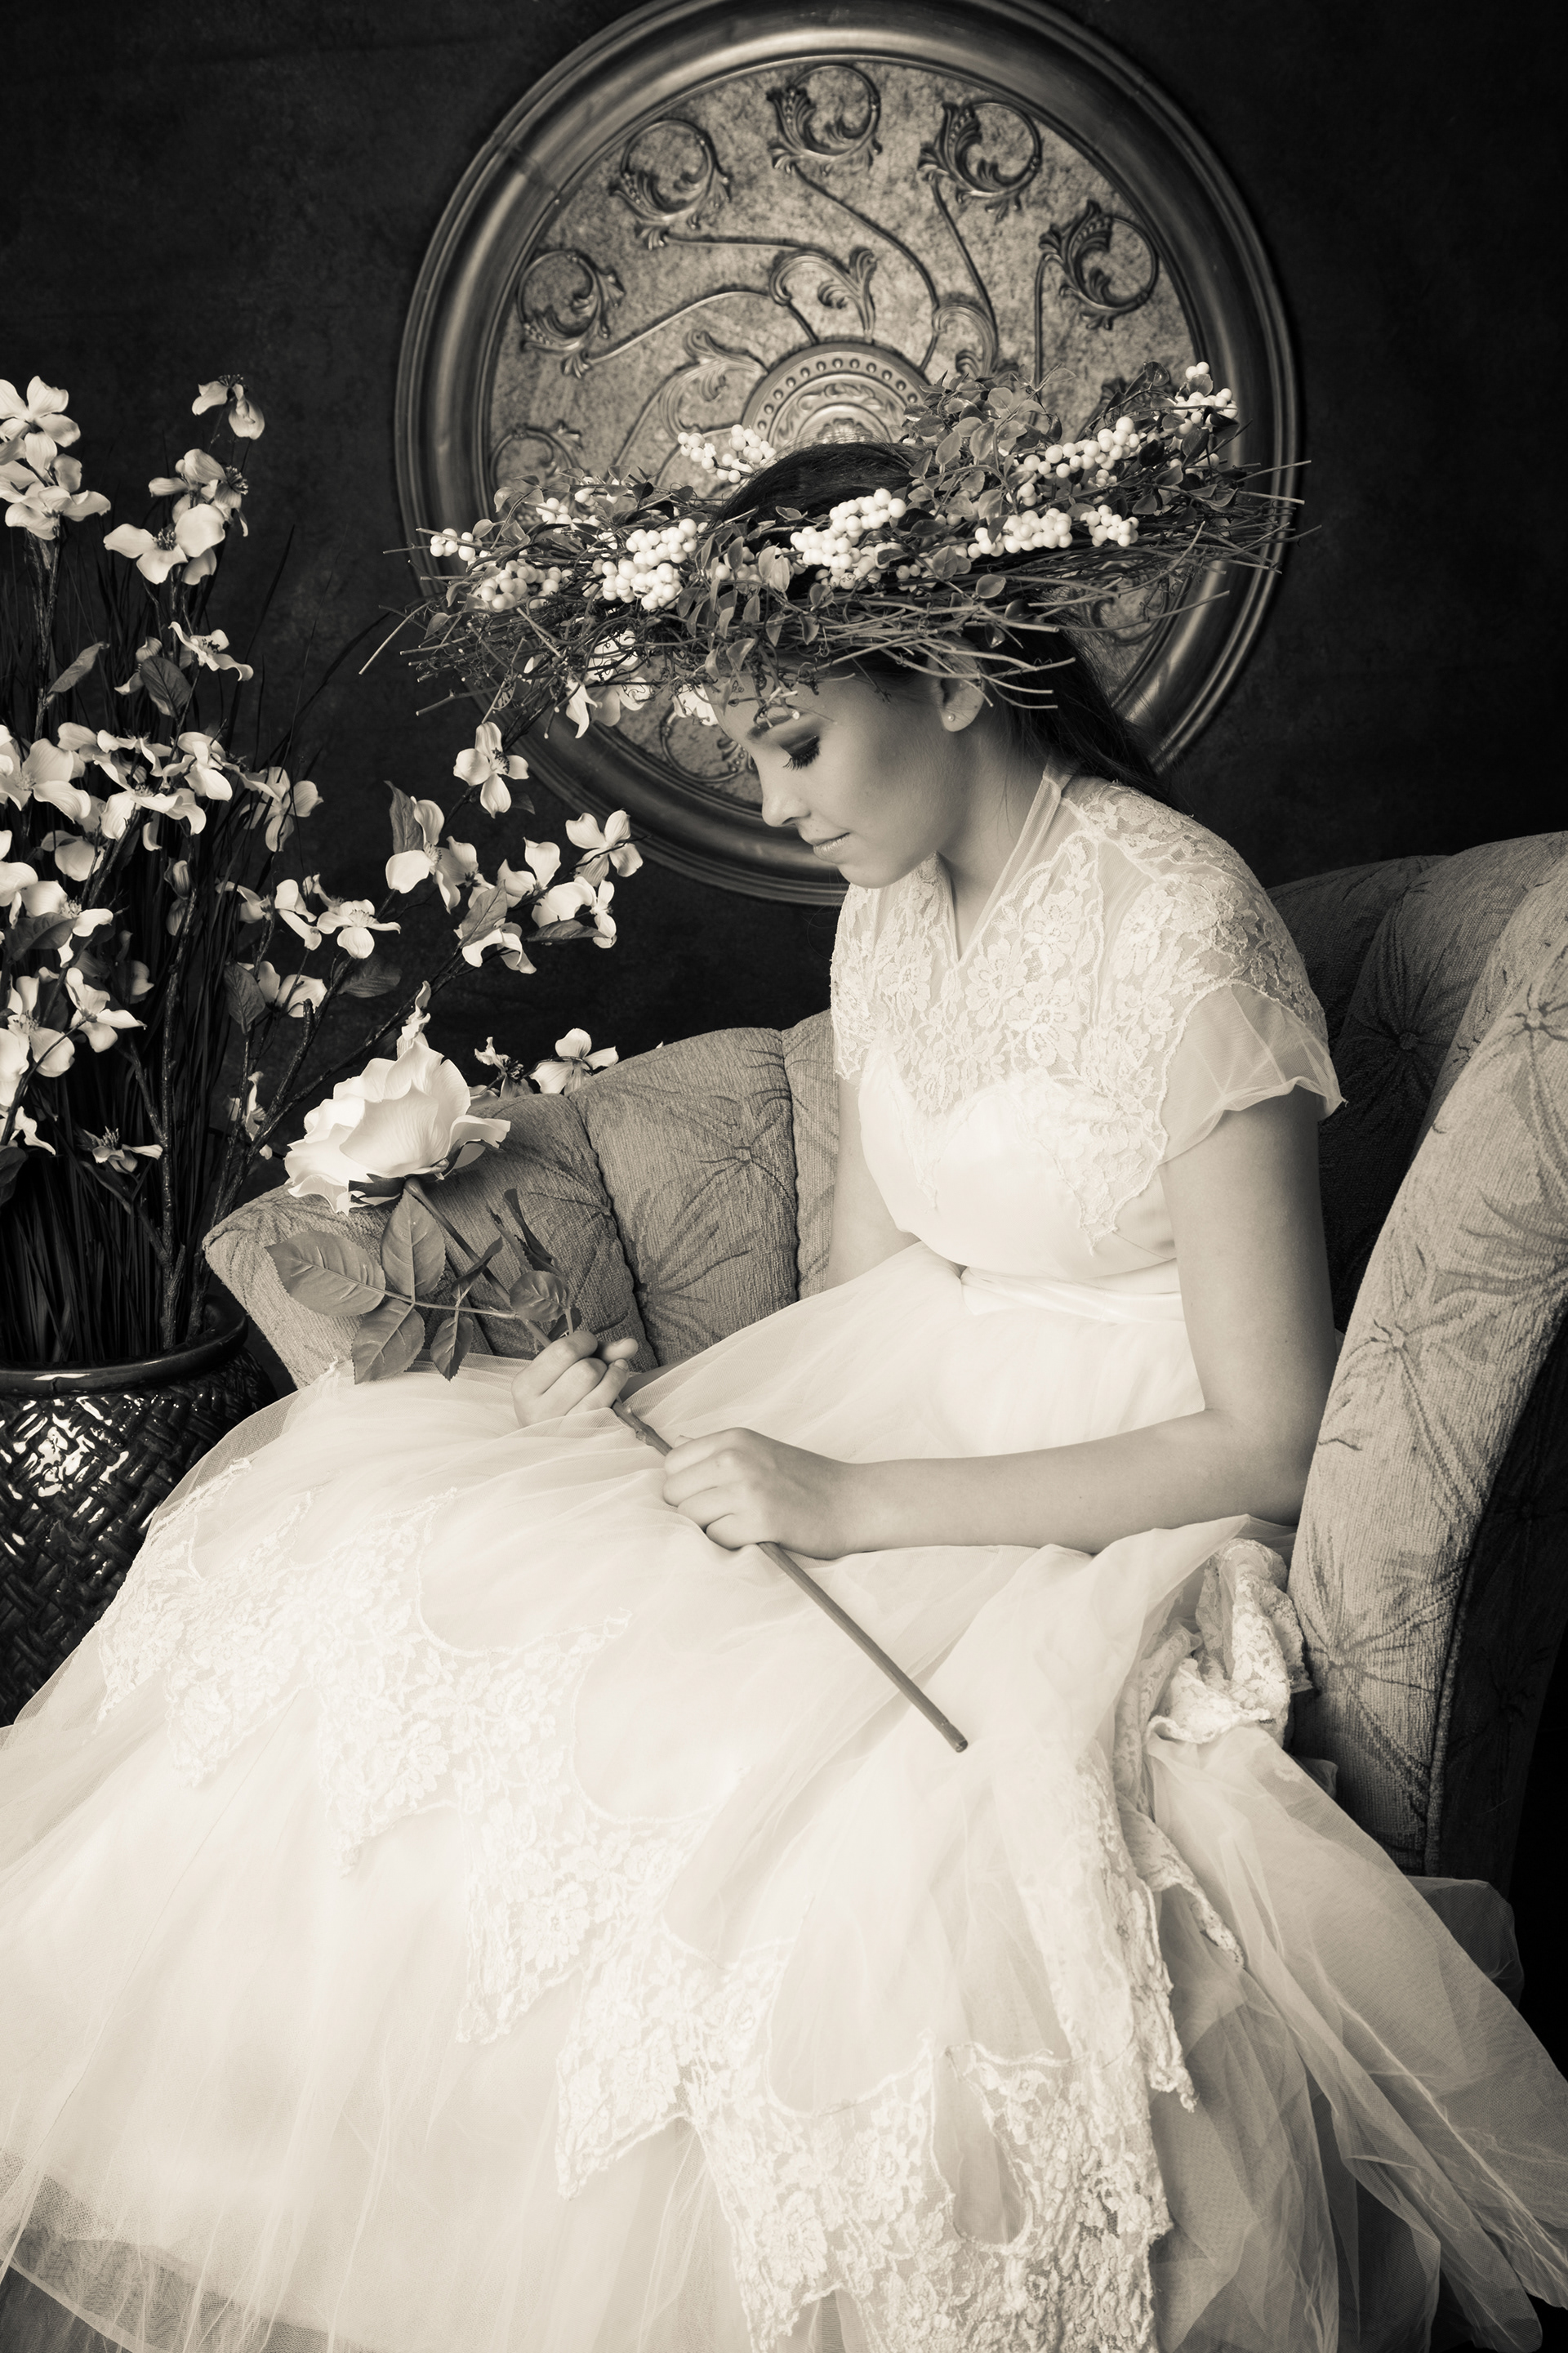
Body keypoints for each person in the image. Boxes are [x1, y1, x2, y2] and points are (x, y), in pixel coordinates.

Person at [3, 398, 1566, 2353]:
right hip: (900, 1425)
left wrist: (851, 1504)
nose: (776, 800)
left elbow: (1272, 1434)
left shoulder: (1185, 925)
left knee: (821, 1869)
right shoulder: (889, 916)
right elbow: (865, 1308)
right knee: (373, 1572)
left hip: (1111, 1493)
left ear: (955, 673)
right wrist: (651, 1414)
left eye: (796, 742)